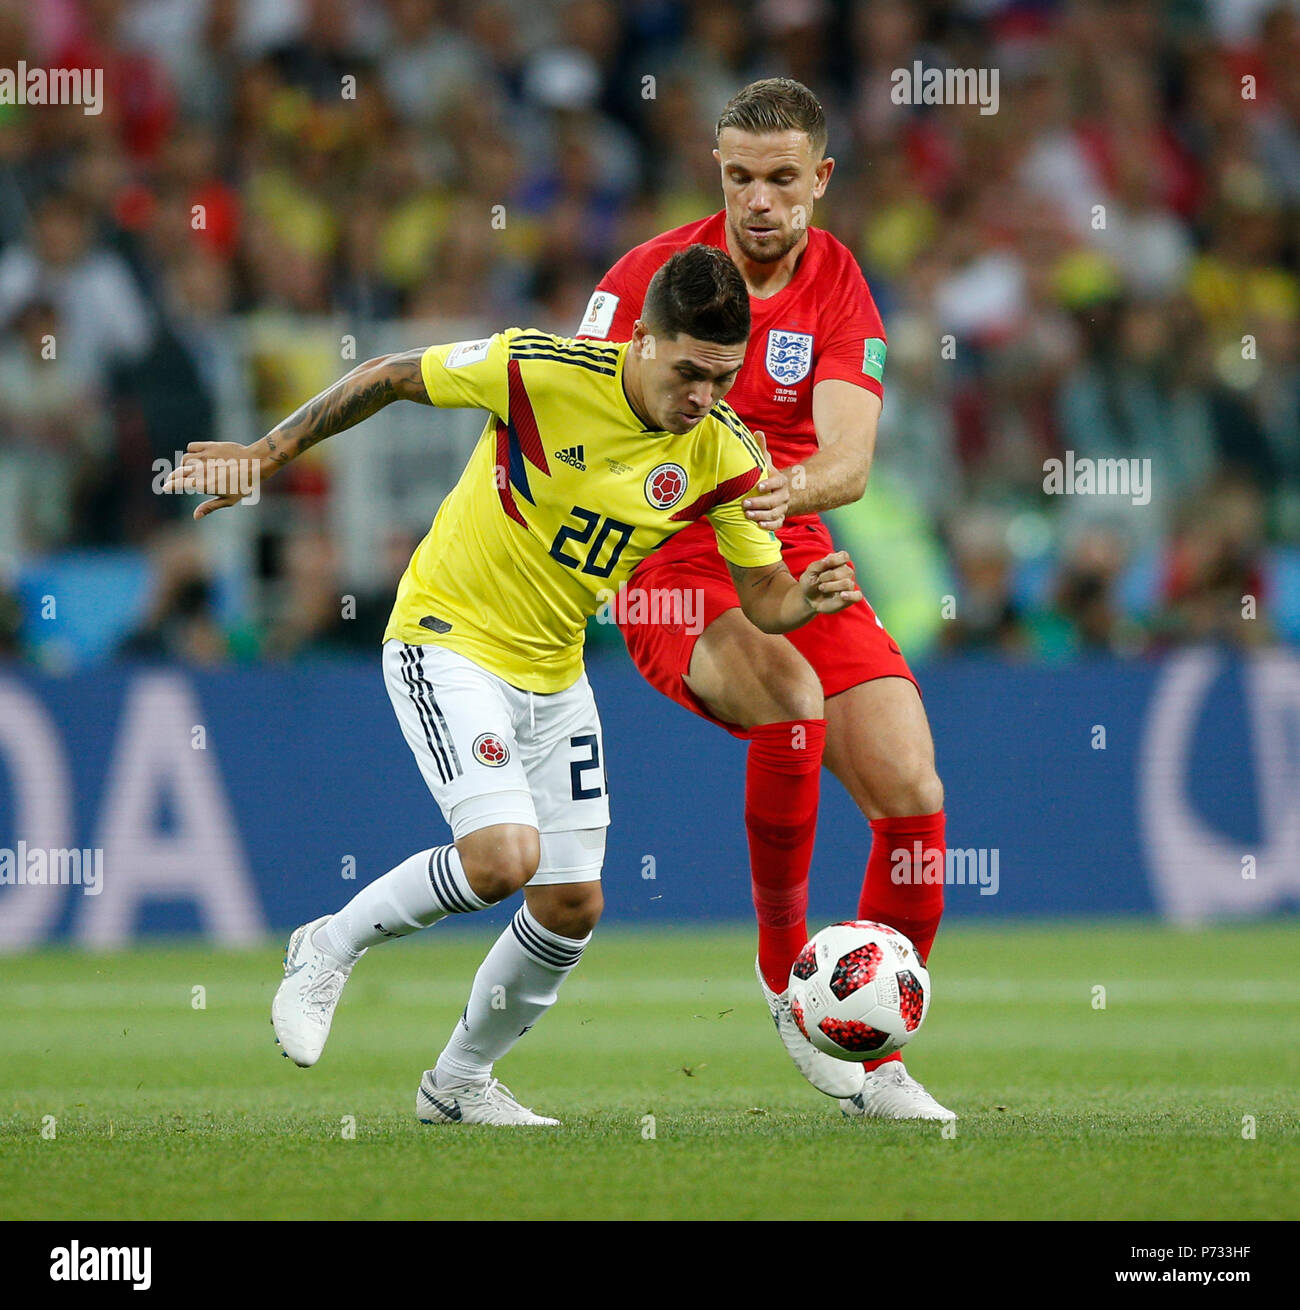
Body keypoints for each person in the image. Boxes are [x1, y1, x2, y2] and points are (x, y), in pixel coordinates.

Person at [166, 244, 863, 1126]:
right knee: (502, 860)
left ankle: (456, 1086)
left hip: (554, 671)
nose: (704, 396)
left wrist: (802, 599)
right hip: (447, 639)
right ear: (642, 338)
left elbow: (762, 598)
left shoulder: (723, 455)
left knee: (571, 904)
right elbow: (388, 375)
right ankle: (326, 946)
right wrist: (267, 455)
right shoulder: (539, 370)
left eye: (723, 378)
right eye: (690, 371)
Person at [576, 79, 953, 1120]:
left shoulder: (836, 283)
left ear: (820, 180)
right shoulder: (646, 275)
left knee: (913, 792)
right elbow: (571, 422)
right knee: (787, 691)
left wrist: (776, 490)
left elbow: (849, 457)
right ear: (719, 174)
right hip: (667, 557)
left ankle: (874, 1056)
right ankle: (787, 977)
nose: (760, 201)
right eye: (740, 176)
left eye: (783, 179)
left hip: (790, 541)